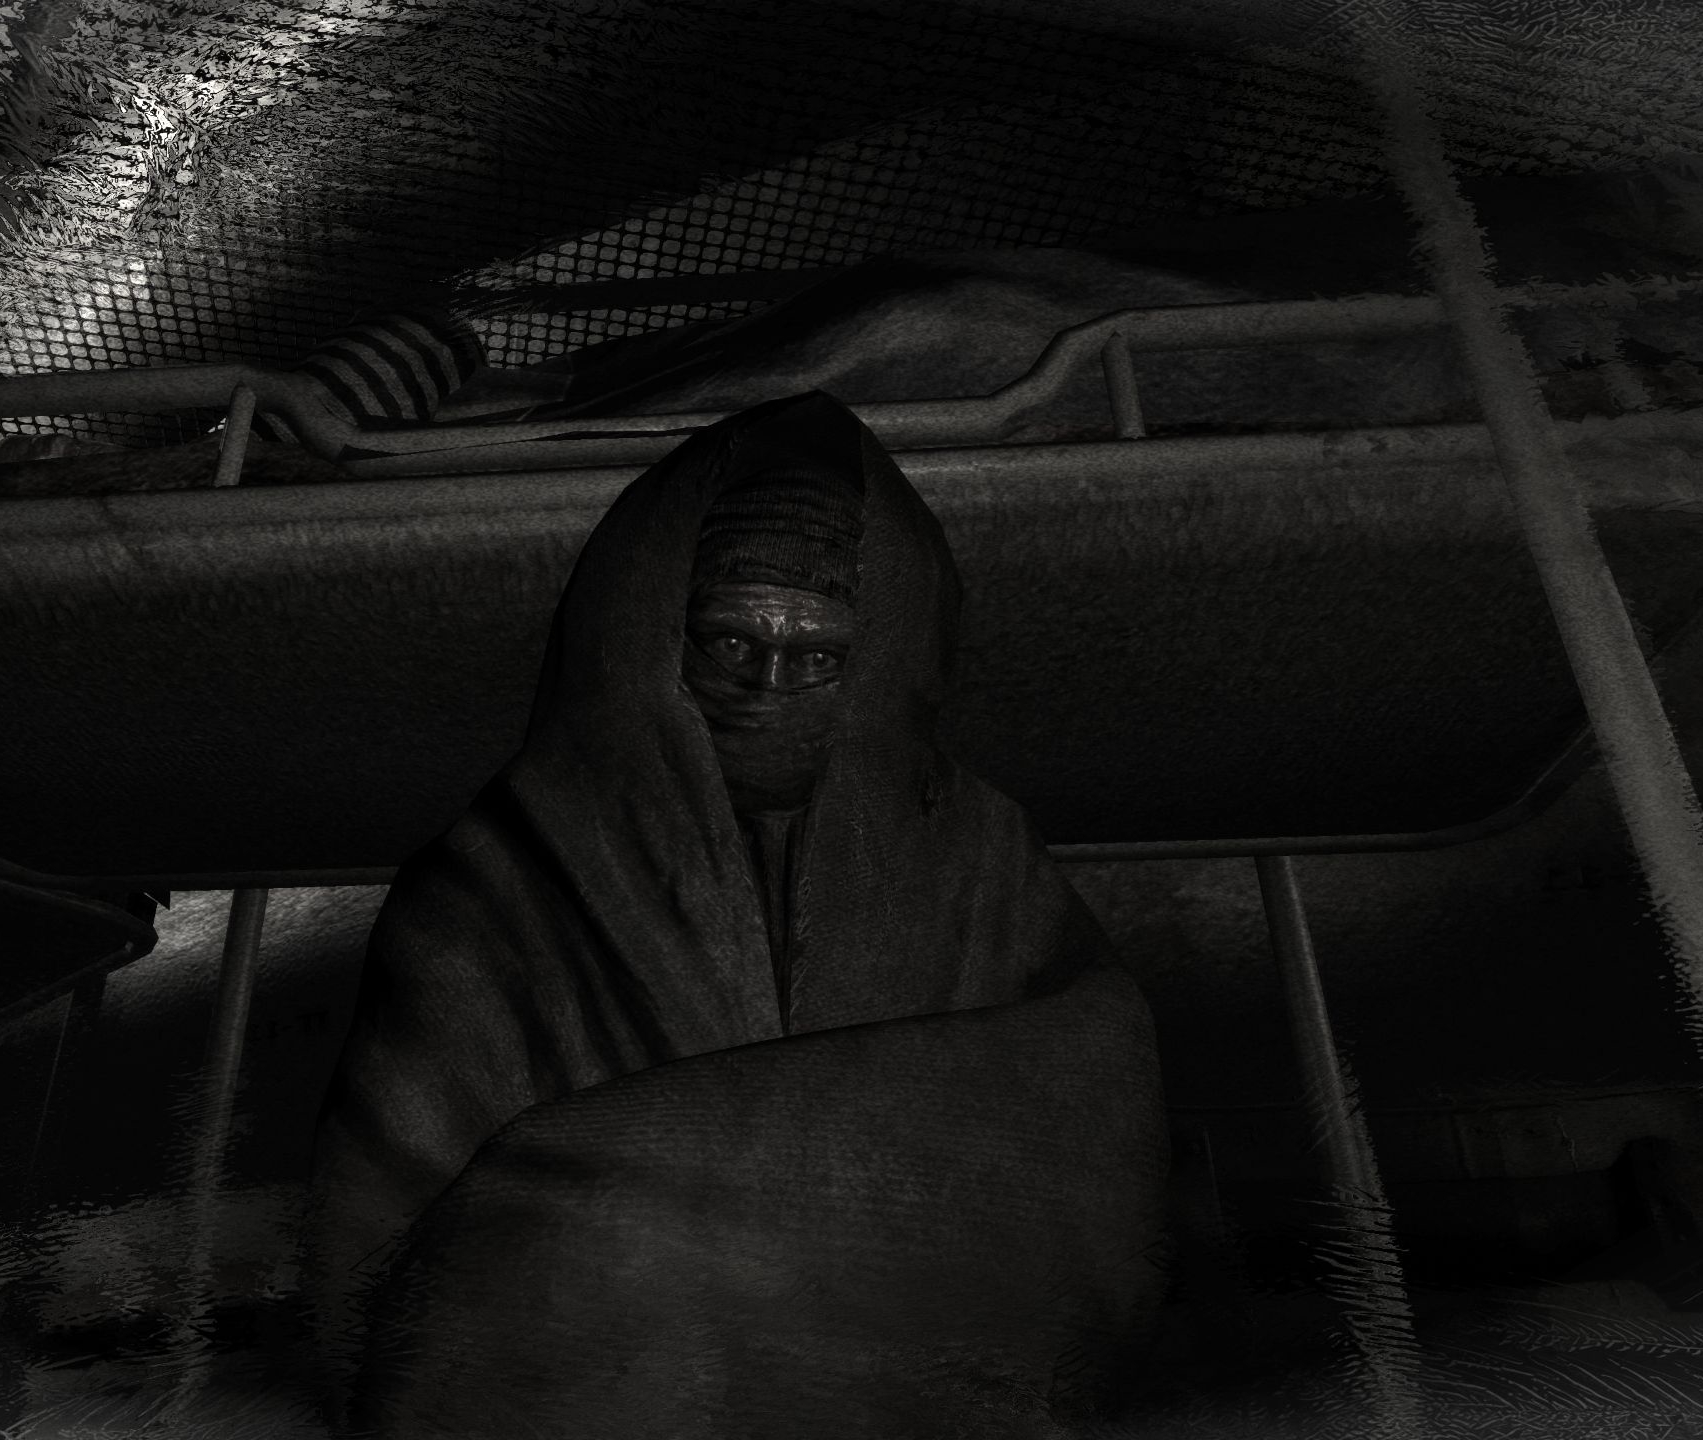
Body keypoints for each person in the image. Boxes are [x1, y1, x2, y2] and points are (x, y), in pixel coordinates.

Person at [301, 391, 1165, 1435]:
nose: (765, 687)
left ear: (879, 666)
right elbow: (386, 1221)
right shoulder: (497, 879)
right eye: (729, 644)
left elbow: (1083, 1118)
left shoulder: (980, 859)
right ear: (657, 640)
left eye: (817, 658)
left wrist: (633, 1184)